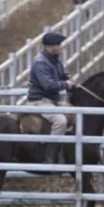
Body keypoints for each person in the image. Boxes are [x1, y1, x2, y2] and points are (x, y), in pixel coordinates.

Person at [27, 31, 77, 164]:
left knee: (76, 114)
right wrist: (65, 84)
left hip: (52, 101)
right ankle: (49, 156)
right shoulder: (41, 63)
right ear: (51, 46)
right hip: (39, 101)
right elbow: (47, 85)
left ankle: (69, 151)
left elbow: (61, 76)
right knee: (60, 121)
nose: (60, 47)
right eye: (58, 45)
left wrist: (66, 78)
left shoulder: (54, 61)